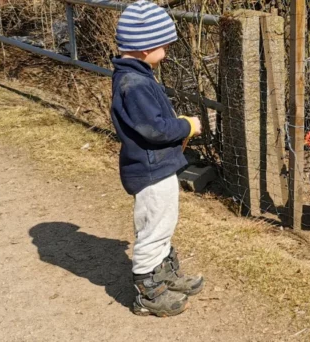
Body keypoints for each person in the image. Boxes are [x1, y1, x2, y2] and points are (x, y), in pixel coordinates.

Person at [109, 0, 204, 317]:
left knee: (162, 225)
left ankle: (164, 276)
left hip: (158, 167)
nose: (167, 47)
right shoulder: (134, 84)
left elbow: (151, 122)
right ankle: (148, 292)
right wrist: (185, 125)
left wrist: (172, 123)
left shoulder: (137, 76)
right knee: (153, 229)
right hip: (150, 172)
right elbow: (154, 129)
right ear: (145, 46)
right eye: (163, 43)